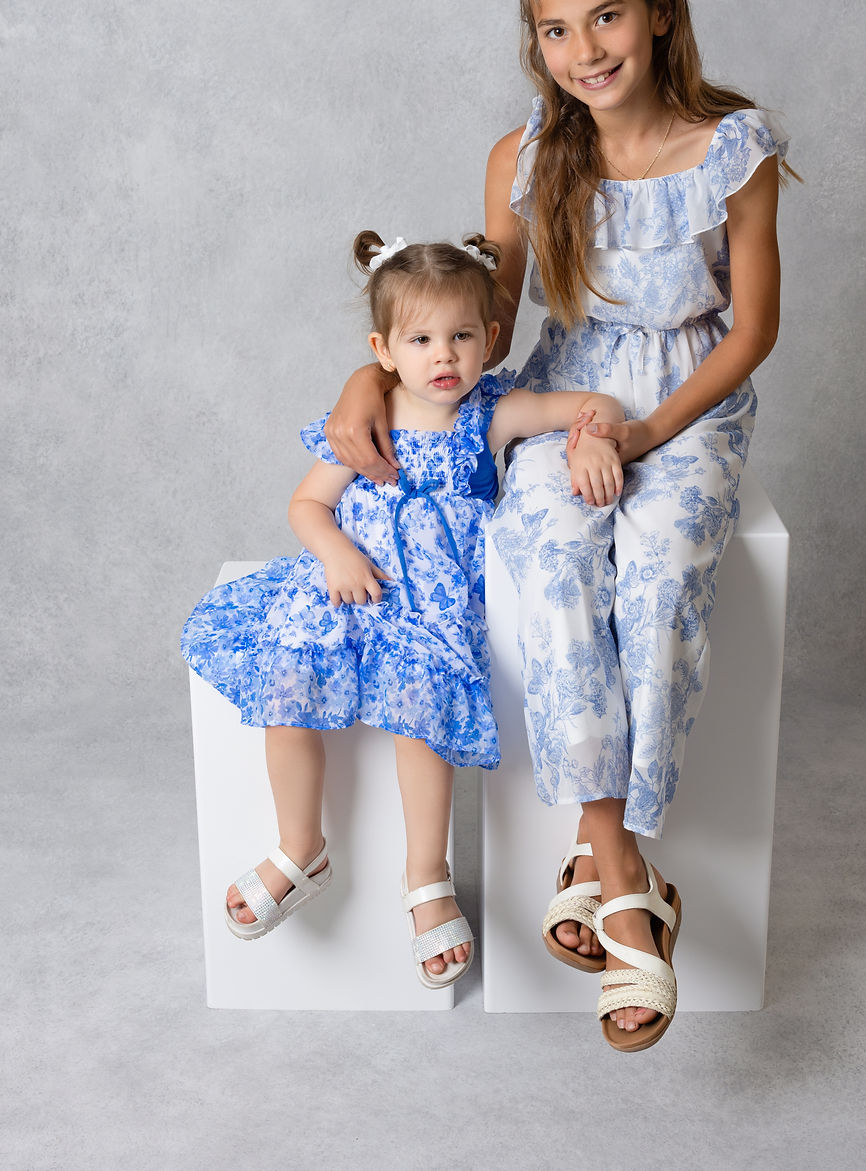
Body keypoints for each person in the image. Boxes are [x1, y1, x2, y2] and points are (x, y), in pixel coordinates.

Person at [324, 0, 793, 1047]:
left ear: (657, 10)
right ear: (532, 44)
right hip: (563, 386)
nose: (583, 49)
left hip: (686, 399)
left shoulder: (736, 147)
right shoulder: (527, 158)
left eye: (605, 16)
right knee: (551, 560)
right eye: (553, 30)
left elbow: (748, 334)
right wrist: (363, 379)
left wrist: (635, 436)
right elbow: (472, 317)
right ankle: (631, 882)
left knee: (657, 566)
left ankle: (605, 852)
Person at [181, 231, 625, 988]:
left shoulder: (494, 411)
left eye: (459, 336)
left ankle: (428, 876)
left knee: (422, 714)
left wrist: (594, 435)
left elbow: (592, 401)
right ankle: (300, 846)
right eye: (420, 339)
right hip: (356, 587)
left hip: (434, 606)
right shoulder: (368, 417)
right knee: (286, 690)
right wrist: (337, 554)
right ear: (383, 349)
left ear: (488, 338)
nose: (442, 355)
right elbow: (308, 504)